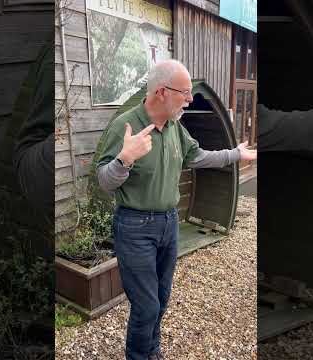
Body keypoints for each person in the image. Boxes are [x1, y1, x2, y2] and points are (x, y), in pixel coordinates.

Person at [95, 59, 256, 360]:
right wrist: (124, 160)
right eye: (184, 92)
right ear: (161, 92)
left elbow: (198, 156)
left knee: (162, 297)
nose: (190, 99)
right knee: (146, 306)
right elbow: (104, 181)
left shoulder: (174, 127)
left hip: (168, 224)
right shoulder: (125, 126)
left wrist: (235, 154)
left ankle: (152, 350)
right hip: (134, 227)